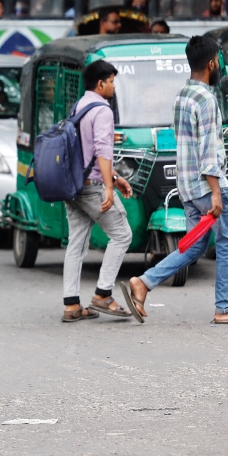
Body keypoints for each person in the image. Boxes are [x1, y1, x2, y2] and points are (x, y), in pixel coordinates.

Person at [120, 37, 228, 325]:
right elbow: (209, 152)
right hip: (208, 186)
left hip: (186, 188)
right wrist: (217, 193)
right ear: (211, 64)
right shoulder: (207, 99)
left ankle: (143, 282)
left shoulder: (182, 95)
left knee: (194, 246)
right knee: (227, 242)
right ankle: (224, 308)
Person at [59, 60, 135, 322]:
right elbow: (102, 151)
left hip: (73, 186)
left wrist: (116, 177)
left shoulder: (79, 106)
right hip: (92, 187)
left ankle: (71, 305)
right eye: (112, 81)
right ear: (100, 84)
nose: (114, 86)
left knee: (76, 243)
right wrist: (109, 186)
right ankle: (103, 294)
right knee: (122, 234)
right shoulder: (102, 110)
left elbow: (86, 151)